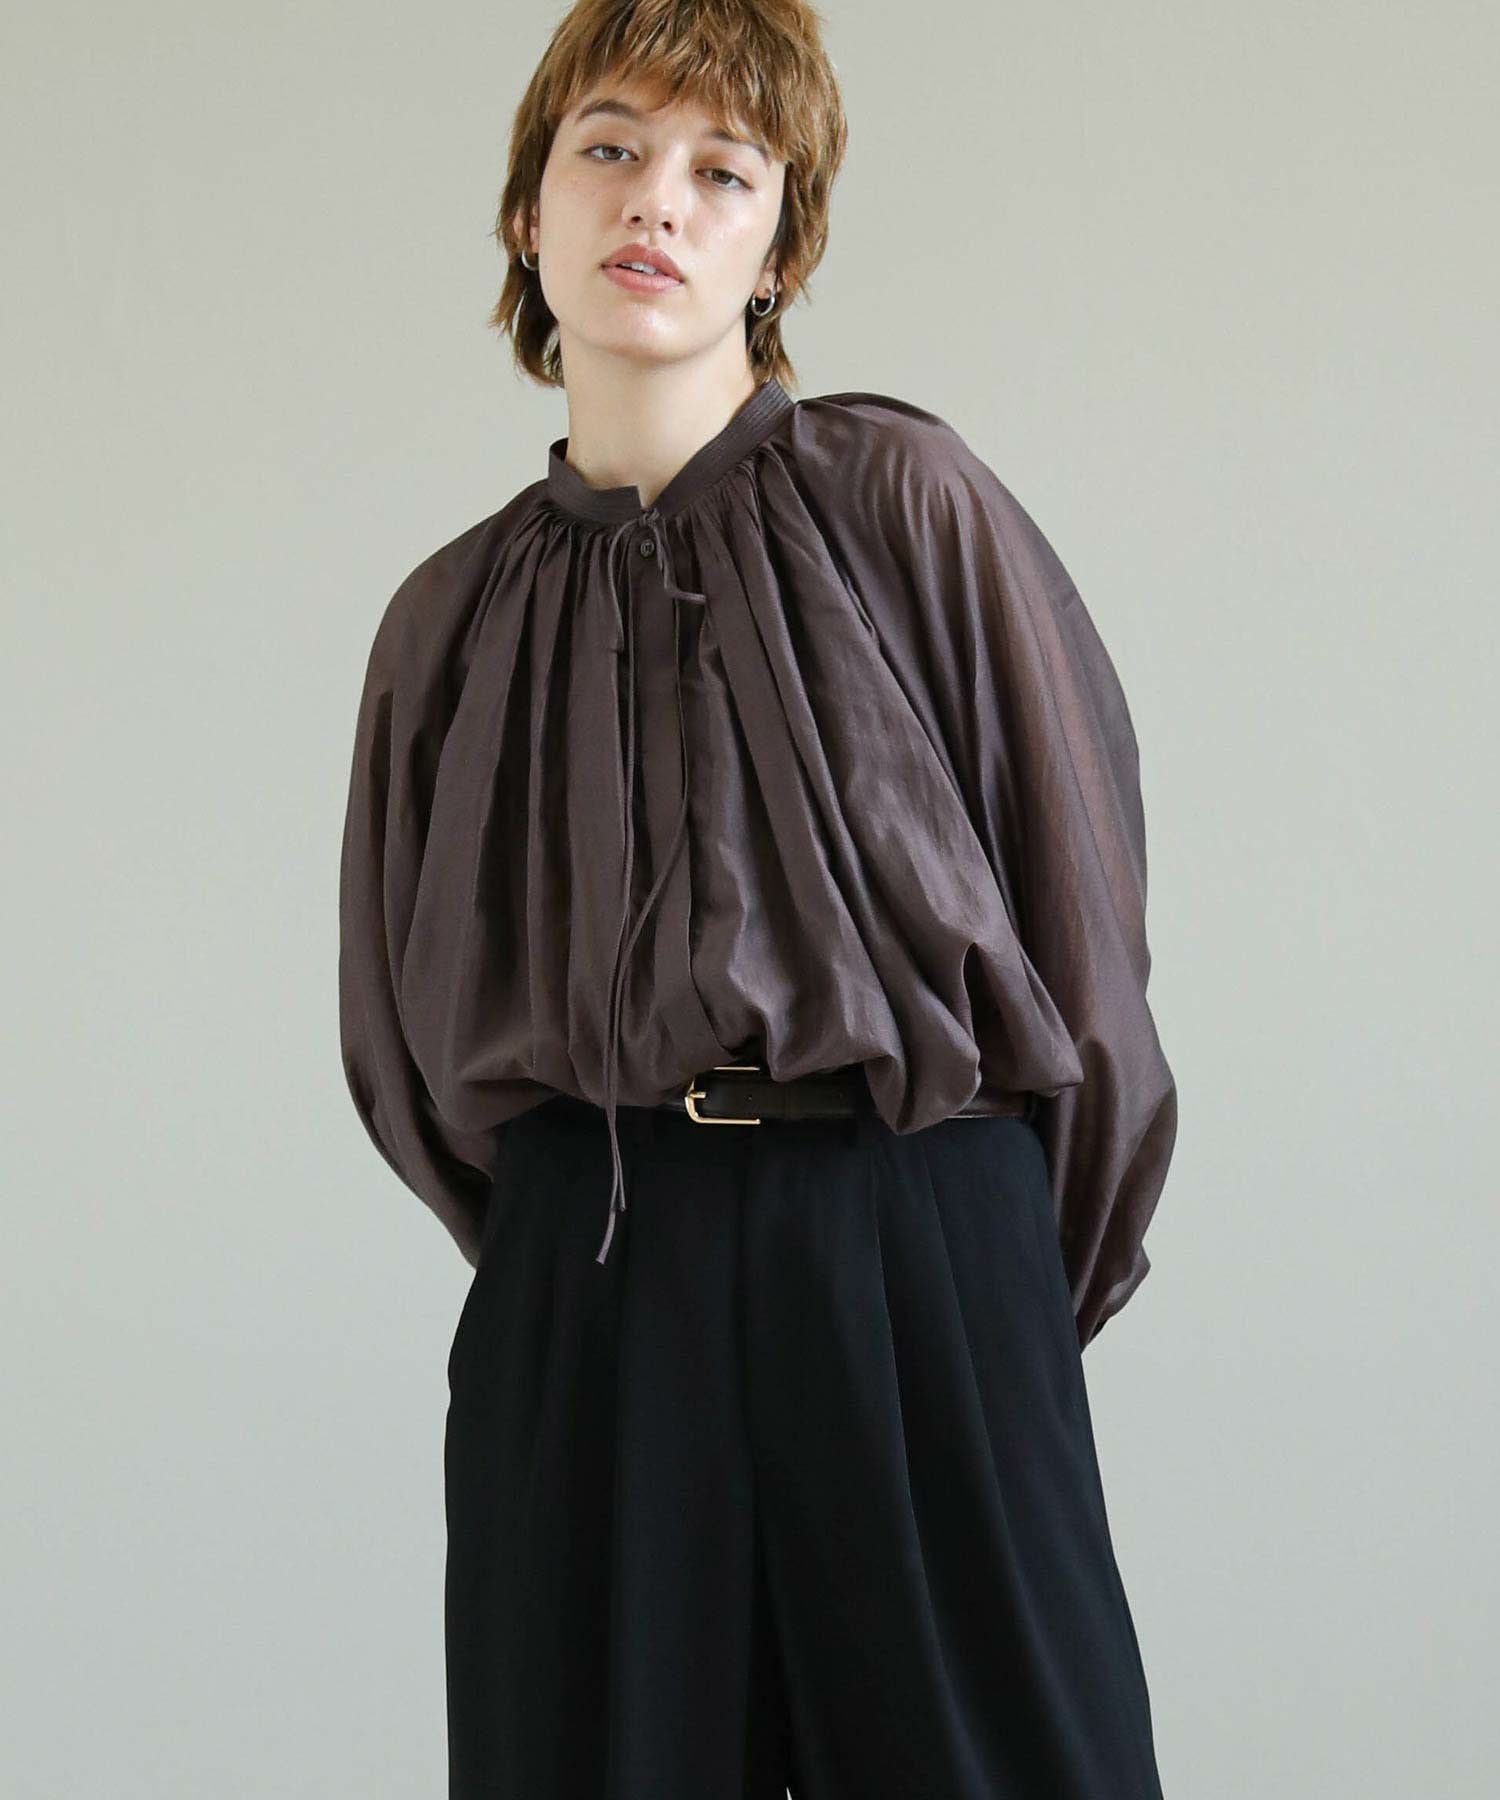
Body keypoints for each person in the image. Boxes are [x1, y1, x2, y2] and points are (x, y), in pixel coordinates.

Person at [337, 2, 1179, 1794]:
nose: (658, 200)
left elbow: (1087, 960)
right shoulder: (445, 624)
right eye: (610, 148)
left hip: (916, 1242)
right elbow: (409, 1057)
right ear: (529, 209)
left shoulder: (909, 508)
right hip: (592, 1279)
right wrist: (581, 1263)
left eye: (723, 171)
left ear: (781, 248)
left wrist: (979, 1308)